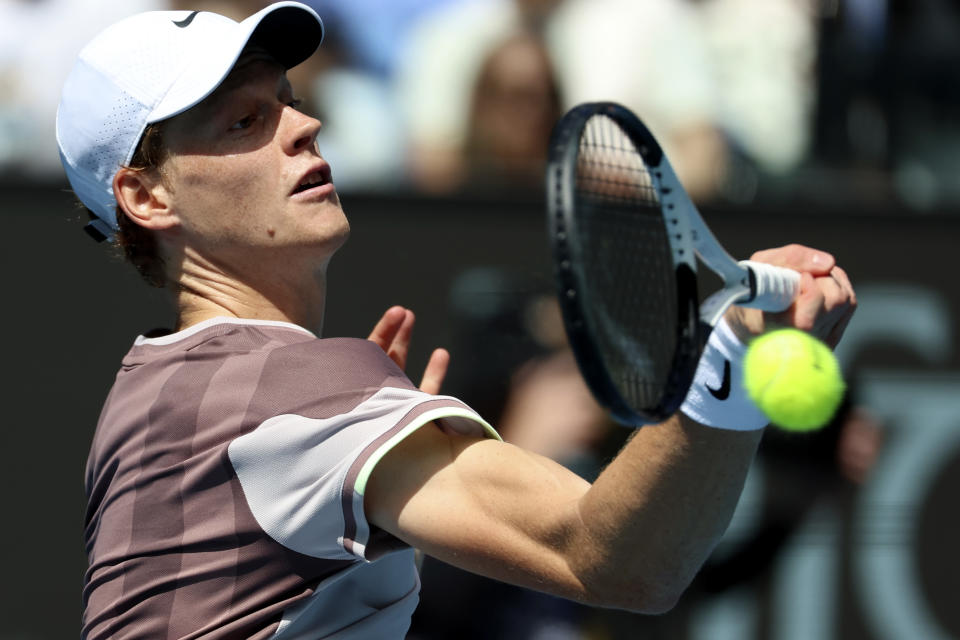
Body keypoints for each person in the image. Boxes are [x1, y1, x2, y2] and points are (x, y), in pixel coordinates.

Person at [57, 4, 857, 639]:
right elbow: (624, 564)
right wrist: (733, 364)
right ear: (148, 197)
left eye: (289, 104)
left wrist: (365, 462)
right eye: (243, 122)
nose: (303, 126)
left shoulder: (148, 389)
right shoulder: (292, 398)